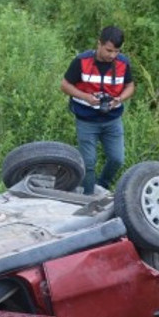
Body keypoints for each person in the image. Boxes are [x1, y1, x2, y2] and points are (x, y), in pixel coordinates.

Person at [60, 26, 134, 195]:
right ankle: (88, 197)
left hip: (112, 120)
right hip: (86, 120)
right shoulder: (81, 61)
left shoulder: (123, 63)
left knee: (117, 159)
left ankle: (102, 186)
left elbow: (130, 86)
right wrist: (85, 97)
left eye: (116, 51)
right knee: (89, 162)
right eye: (108, 50)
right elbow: (64, 86)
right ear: (99, 44)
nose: (112, 55)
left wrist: (120, 98)